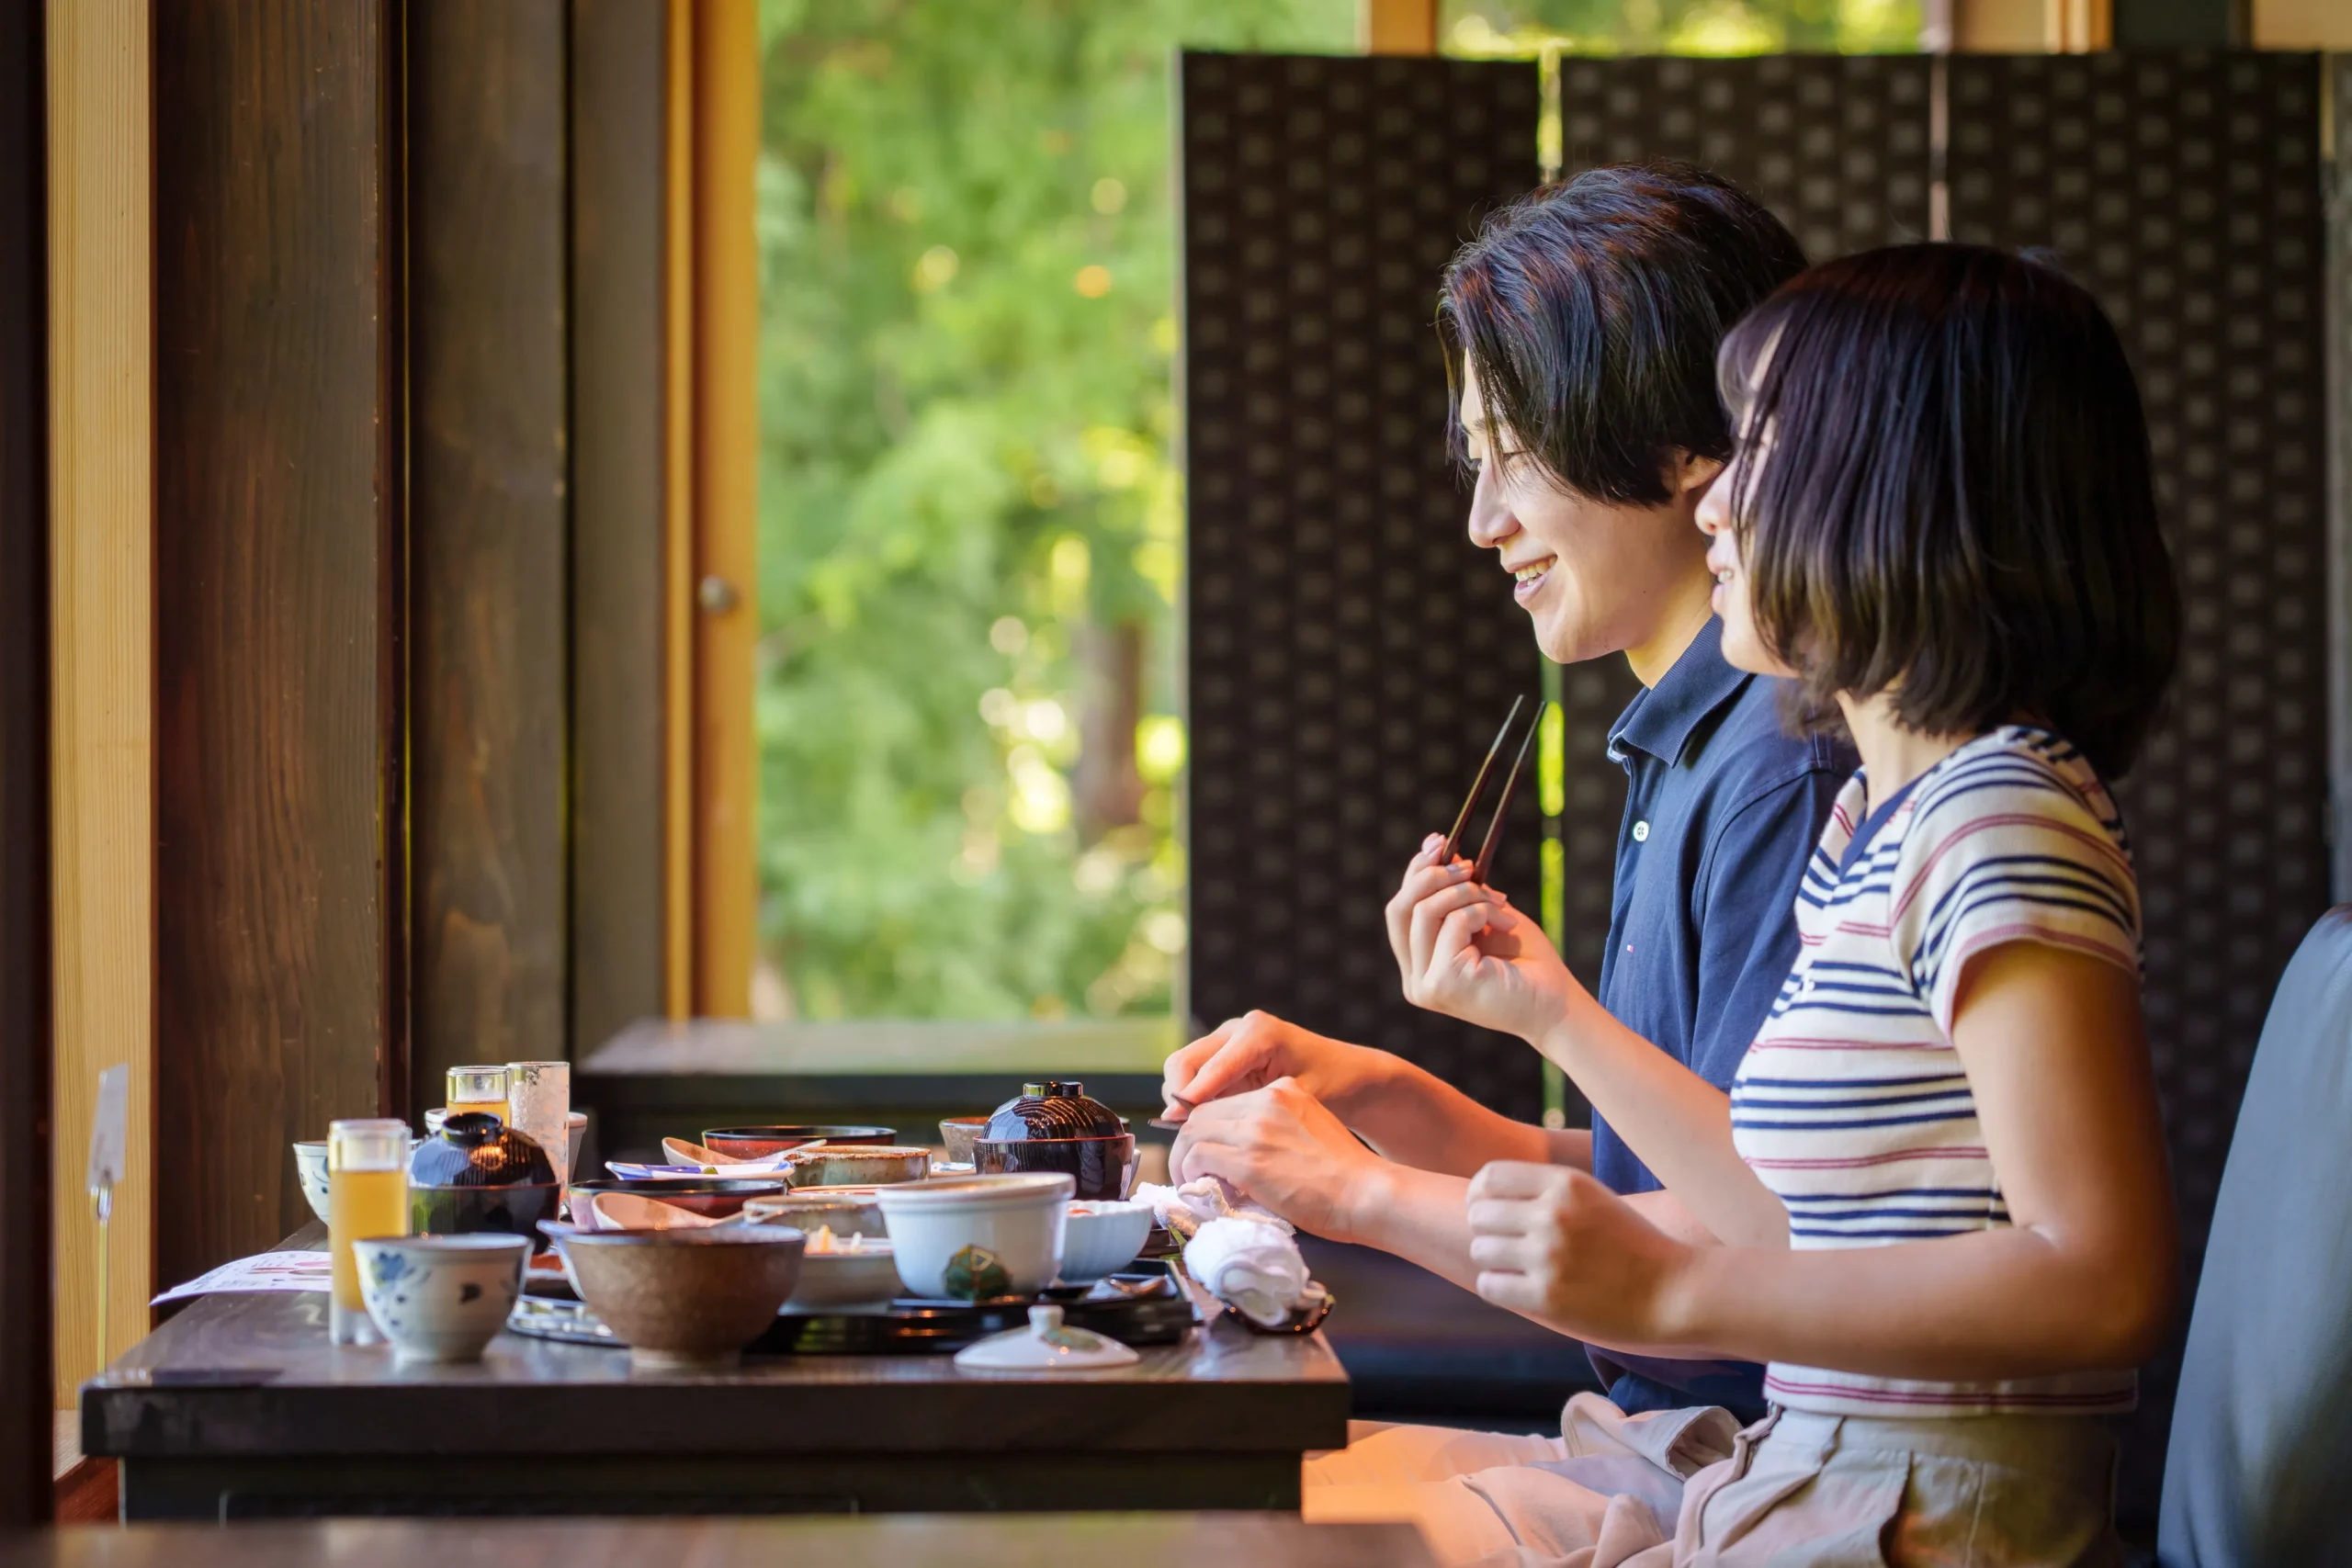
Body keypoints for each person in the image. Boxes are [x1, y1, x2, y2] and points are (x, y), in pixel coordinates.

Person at [1394, 243, 2181, 1562]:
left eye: (1754, 446)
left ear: (1895, 492)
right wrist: (1546, 1011)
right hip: (1812, 1484)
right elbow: (1788, 1208)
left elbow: (2103, 1277)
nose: (1711, 500)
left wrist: (1677, 1281)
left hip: (1922, 1520)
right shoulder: (1882, 820)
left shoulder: (1999, 818)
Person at [1160, 164, 1848, 1552]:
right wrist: (1386, 1094)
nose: (1483, 522)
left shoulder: (1784, 758)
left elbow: (1748, 1248)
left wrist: (1354, 1189)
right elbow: (1664, 1178)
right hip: (1652, 1442)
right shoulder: (1690, 742)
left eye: (1512, 454)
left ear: (1680, 446)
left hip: (1740, 1466)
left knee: (1224, 1528)